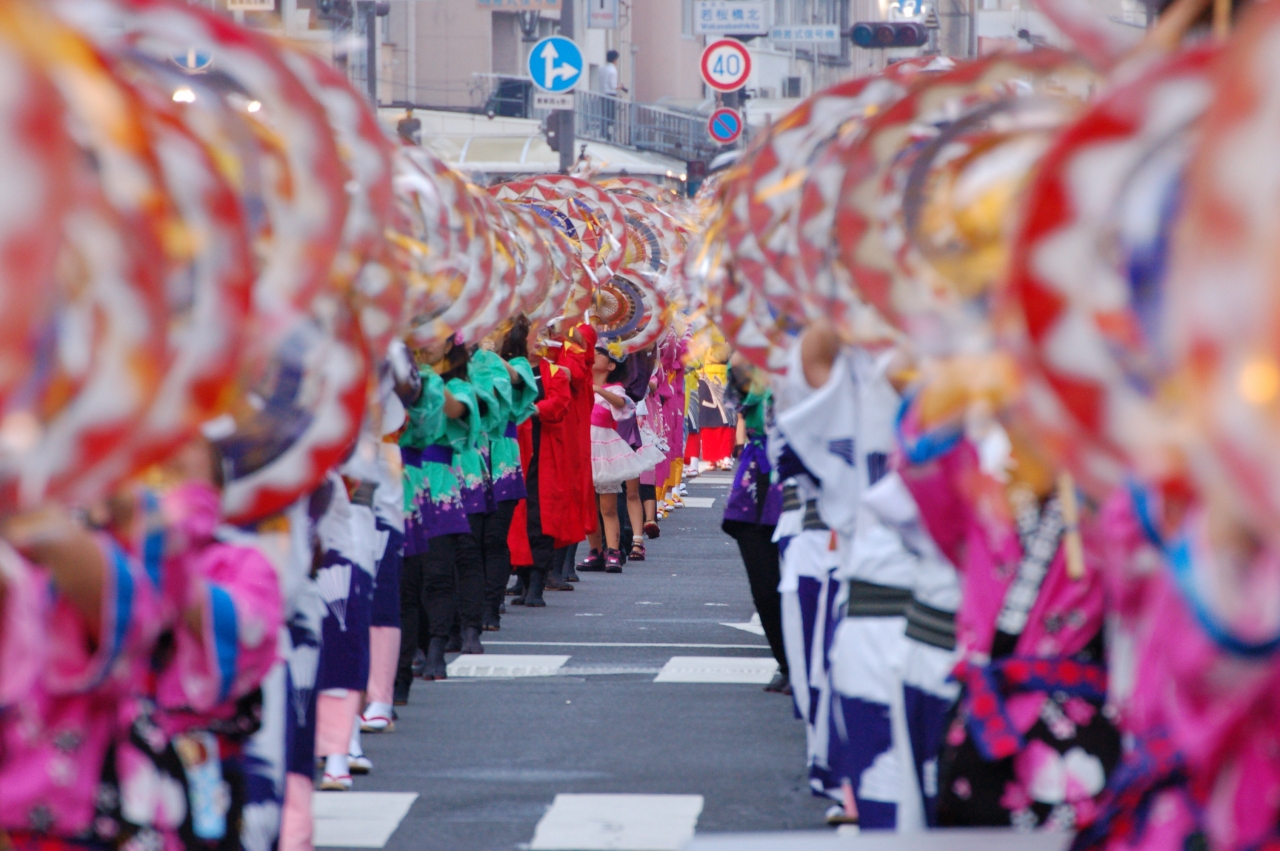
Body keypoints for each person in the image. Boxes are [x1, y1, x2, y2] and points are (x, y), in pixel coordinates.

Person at [396, 334, 478, 691]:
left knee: (439, 574)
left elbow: (456, 412)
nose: (426, 343)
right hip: (400, 483)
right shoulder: (392, 375)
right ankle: (412, 648)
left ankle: (436, 648)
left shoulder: (458, 384)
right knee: (406, 579)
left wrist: (423, 374)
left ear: (450, 346)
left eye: (436, 338)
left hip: (440, 486)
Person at [580, 344, 648, 572]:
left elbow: (623, 406)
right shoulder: (581, 385)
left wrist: (598, 390)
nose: (594, 355)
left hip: (605, 449)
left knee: (607, 507)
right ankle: (595, 550)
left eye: (599, 354)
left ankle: (614, 550)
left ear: (610, 365)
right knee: (589, 506)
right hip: (583, 448)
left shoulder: (615, 389)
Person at [598, 50, 627, 141]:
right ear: (615, 59)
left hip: (602, 94)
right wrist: (621, 86)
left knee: (603, 115)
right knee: (610, 116)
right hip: (610, 95)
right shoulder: (613, 70)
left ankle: (603, 133)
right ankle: (608, 135)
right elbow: (613, 86)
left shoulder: (603, 69)